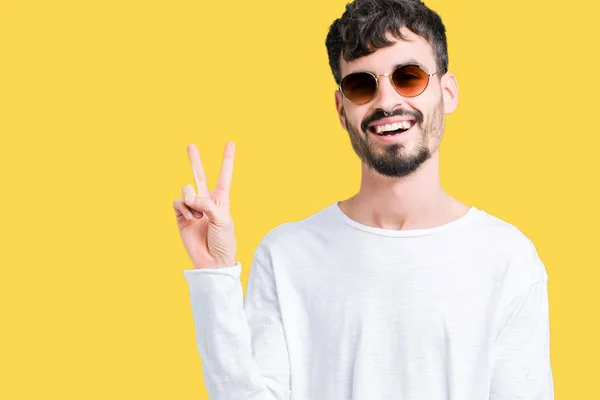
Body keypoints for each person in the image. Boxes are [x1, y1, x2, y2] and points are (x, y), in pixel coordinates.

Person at [173, 0, 554, 398]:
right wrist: (214, 274)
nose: (386, 102)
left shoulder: (507, 257)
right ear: (341, 109)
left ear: (448, 92)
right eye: (361, 85)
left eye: (409, 77)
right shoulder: (287, 254)